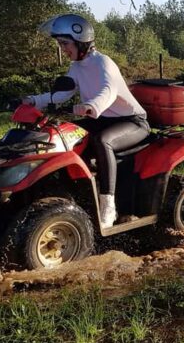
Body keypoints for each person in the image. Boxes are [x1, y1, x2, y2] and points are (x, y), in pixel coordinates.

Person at [23, 14, 150, 228]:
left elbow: (108, 91)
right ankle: (73, 194)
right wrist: (32, 100)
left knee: (103, 141)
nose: (63, 49)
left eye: (65, 43)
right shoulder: (77, 66)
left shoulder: (103, 63)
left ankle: (108, 206)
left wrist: (92, 105)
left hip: (132, 122)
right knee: (61, 135)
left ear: (80, 41)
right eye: (60, 44)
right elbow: (61, 94)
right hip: (101, 119)